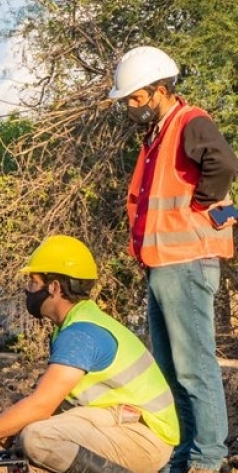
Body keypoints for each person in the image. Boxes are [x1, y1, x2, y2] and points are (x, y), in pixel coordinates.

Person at [0, 235, 178, 473]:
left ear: (54, 287)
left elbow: (40, 406)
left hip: (146, 439)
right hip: (130, 422)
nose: (28, 290)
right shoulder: (80, 323)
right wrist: (10, 428)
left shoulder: (80, 335)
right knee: (30, 429)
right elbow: (57, 402)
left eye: (33, 282)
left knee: (38, 438)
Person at [108, 45, 238, 473]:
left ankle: (207, 456)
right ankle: (185, 453)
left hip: (186, 260)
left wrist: (199, 205)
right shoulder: (158, 134)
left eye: (135, 97)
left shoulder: (189, 123)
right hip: (163, 263)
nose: (130, 105)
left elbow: (222, 164)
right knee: (172, 368)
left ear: (160, 90)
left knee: (194, 366)